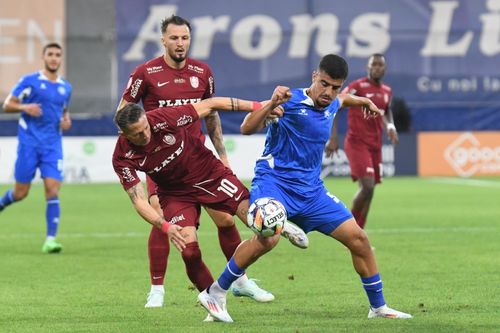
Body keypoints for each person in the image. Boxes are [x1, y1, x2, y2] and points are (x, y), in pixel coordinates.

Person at [197, 54, 412, 322]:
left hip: (312, 193)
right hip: (274, 183)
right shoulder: (289, 101)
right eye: (324, 84)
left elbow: (345, 100)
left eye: (335, 87)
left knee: (360, 240)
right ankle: (215, 292)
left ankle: (378, 308)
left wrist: (364, 101)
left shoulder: (334, 102)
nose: (329, 92)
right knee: (268, 239)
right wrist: (271, 104)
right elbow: (246, 127)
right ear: (314, 77)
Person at [116, 15, 279, 307]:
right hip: (161, 164)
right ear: (163, 40)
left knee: (226, 219)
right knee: (162, 220)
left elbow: (212, 113)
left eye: (185, 38)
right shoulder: (145, 72)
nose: (180, 43)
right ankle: (157, 288)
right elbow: (124, 112)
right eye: (174, 38)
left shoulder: (203, 72)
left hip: (198, 158)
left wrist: (223, 155)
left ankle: (239, 280)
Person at [112, 98, 307, 316]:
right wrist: (164, 225)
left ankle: (276, 223)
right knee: (189, 252)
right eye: (137, 134)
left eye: (146, 128)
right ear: (123, 134)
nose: (145, 135)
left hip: (210, 174)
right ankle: (214, 300)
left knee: (266, 234)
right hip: (176, 194)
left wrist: (258, 106)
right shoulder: (122, 157)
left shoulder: (164, 118)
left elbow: (212, 104)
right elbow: (138, 199)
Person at [0, 43, 72, 253]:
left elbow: (64, 112)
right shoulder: (29, 81)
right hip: (29, 144)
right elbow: (7, 104)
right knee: (20, 193)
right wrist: (24, 107)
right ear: (43, 57)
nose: (54, 58)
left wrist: (66, 122)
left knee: (52, 189)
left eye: (58, 55)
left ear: (60, 59)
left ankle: (50, 239)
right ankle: (3, 203)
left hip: (52, 146)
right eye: (50, 54)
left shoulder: (66, 87)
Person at [325, 54, 398, 229]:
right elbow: (336, 104)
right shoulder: (357, 87)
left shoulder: (387, 90)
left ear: (385, 69)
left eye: (380, 65)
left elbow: (386, 111)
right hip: (357, 142)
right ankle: (350, 228)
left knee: (370, 191)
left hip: (375, 145)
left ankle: (359, 233)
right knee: (367, 186)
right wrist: (332, 136)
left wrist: (390, 126)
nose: (377, 68)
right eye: (374, 65)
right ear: (368, 67)